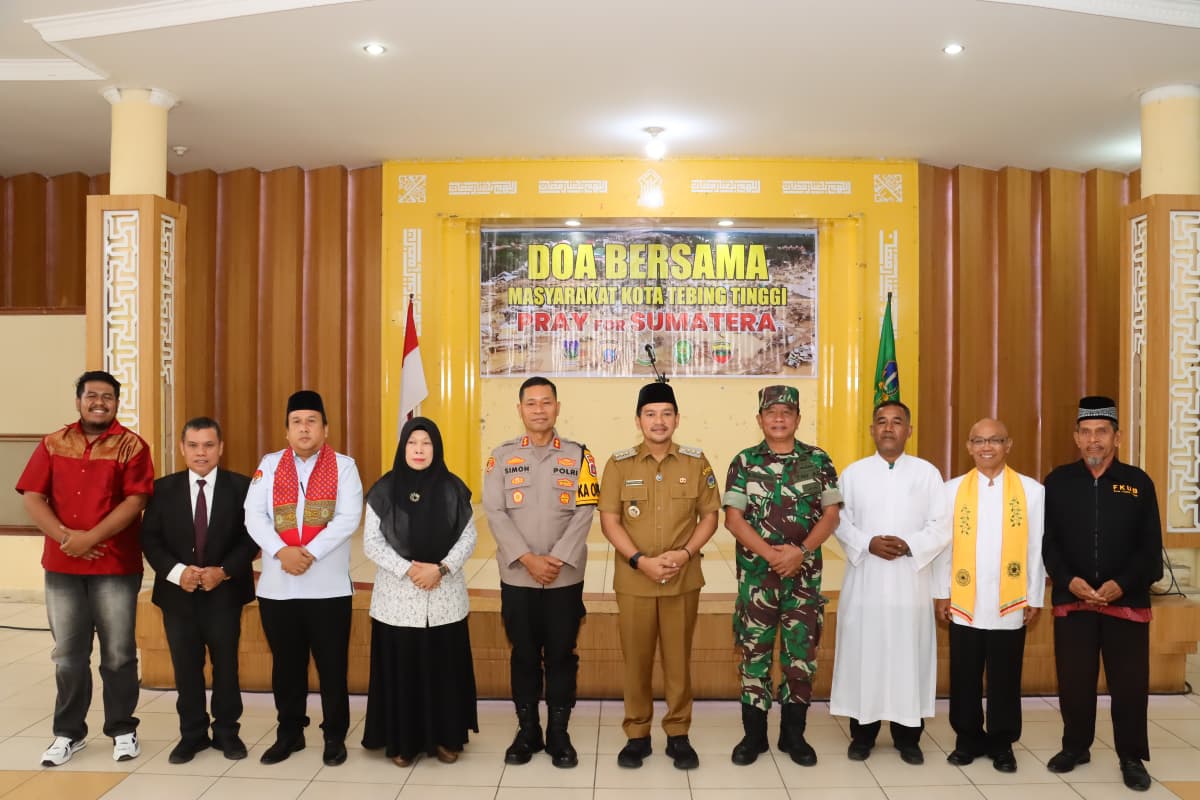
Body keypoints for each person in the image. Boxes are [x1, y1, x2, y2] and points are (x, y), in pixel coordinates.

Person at [16, 370, 154, 767]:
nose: (99, 402)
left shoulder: (132, 446)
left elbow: (136, 501)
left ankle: (123, 729)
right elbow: (32, 496)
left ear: (117, 403)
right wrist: (66, 538)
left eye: (107, 397)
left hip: (115, 565)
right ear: (77, 400)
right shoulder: (53, 443)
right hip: (62, 565)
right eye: (91, 395)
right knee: (68, 654)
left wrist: (89, 538)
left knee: (118, 653)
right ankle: (68, 733)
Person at [598, 381, 720, 770]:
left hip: (682, 579)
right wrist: (639, 560)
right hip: (635, 579)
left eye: (666, 413)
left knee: (678, 659)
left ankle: (679, 733)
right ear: (638, 420)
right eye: (650, 414)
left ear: (677, 419)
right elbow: (609, 520)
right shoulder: (619, 464)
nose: (659, 421)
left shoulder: (696, 462)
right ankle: (637, 734)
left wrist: (684, 554)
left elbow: (710, 516)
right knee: (635, 660)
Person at [1042, 396, 1162, 792]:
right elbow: (1048, 544)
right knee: (1074, 682)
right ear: (1076, 437)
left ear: (1117, 437)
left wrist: (1121, 584)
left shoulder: (1138, 483)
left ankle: (1131, 756)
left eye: (1102, 432)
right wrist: (1067, 578)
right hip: (1073, 598)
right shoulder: (1058, 482)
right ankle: (1076, 746)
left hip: (1123, 601)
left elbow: (1149, 550)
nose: (1094, 440)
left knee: (1128, 684)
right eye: (1087, 432)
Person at [724, 385, 842, 767]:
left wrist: (800, 552)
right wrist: (773, 556)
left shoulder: (818, 460)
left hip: (804, 581)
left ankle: (794, 737)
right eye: (771, 413)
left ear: (797, 419)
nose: (779, 418)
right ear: (759, 419)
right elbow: (733, 519)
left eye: (786, 412)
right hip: (758, 579)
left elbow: (831, 515)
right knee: (753, 656)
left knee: (800, 658)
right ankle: (753, 737)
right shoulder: (744, 462)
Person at [483, 377, 598, 768]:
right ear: (520, 410)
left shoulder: (581, 455)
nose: (538, 409)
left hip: (564, 577)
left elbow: (586, 511)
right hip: (518, 576)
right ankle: (527, 730)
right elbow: (494, 512)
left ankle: (559, 733)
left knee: (562, 655)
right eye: (530, 403)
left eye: (545, 402)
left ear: (557, 407)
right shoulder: (500, 457)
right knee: (524, 655)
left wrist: (558, 557)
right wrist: (527, 558)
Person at [244, 390, 363, 767]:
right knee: (286, 666)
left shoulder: (344, 467)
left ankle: (334, 735)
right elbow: (252, 516)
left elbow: (348, 518)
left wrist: (307, 553)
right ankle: (290, 732)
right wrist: (282, 553)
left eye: (312, 421)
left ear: (325, 429)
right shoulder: (269, 465)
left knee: (332, 667)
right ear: (286, 431)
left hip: (327, 588)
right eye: (297, 422)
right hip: (279, 588)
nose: (304, 428)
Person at [829, 400, 949, 765]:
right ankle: (862, 735)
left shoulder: (927, 473)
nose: (888, 428)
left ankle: (908, 737)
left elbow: (941, 524)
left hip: (910, 582)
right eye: (881, 421)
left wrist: (910, 544)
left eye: (897, 422)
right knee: (864, 654)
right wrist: (868, 543)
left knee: (907, 656)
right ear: (871, 430)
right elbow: (837, 520)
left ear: (908, 431)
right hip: (866, 579)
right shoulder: (852, 473)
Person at [361, 417, 478, 765]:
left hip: (444, 596)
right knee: (404, 670)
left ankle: (444, 738)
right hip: (398, 599)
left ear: (436, 448)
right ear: (403, 447)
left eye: (426, 443)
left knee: (442, 669)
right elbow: (372, 543)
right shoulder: (384, 490)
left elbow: (469, 537)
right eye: (413, 443)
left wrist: (440, 569)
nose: (419, 450)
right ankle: (403, 742)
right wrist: (410, 569)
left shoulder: (453, 488)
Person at [933, 418, 1045, 773]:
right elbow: (943, 547)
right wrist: (941, 593)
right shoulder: (951, 491)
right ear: (968, 447)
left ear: (1008, 445)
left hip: (1010, 600)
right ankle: (966, 739)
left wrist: (1035, 596)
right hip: (964, 599)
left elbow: (1035, 548)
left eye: (995, 440)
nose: (986, 447)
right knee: (964, 673)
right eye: (979, 441)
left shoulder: (1032, 490)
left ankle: (1002, 743)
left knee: (1005, 676)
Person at [141, 417, 256, 763]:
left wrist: (223, 572)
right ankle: (192, 735)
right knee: (186, 667)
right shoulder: (162, 489)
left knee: (226, 666)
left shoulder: (242, 488)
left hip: (225, 593)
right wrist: (178, 573)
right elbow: (150, 539)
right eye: (193, 445)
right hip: (179, 596)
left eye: (208, 445)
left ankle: (226, 733)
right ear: (182, 449)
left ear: (220, 448)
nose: (201, 453)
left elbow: (251, 538)